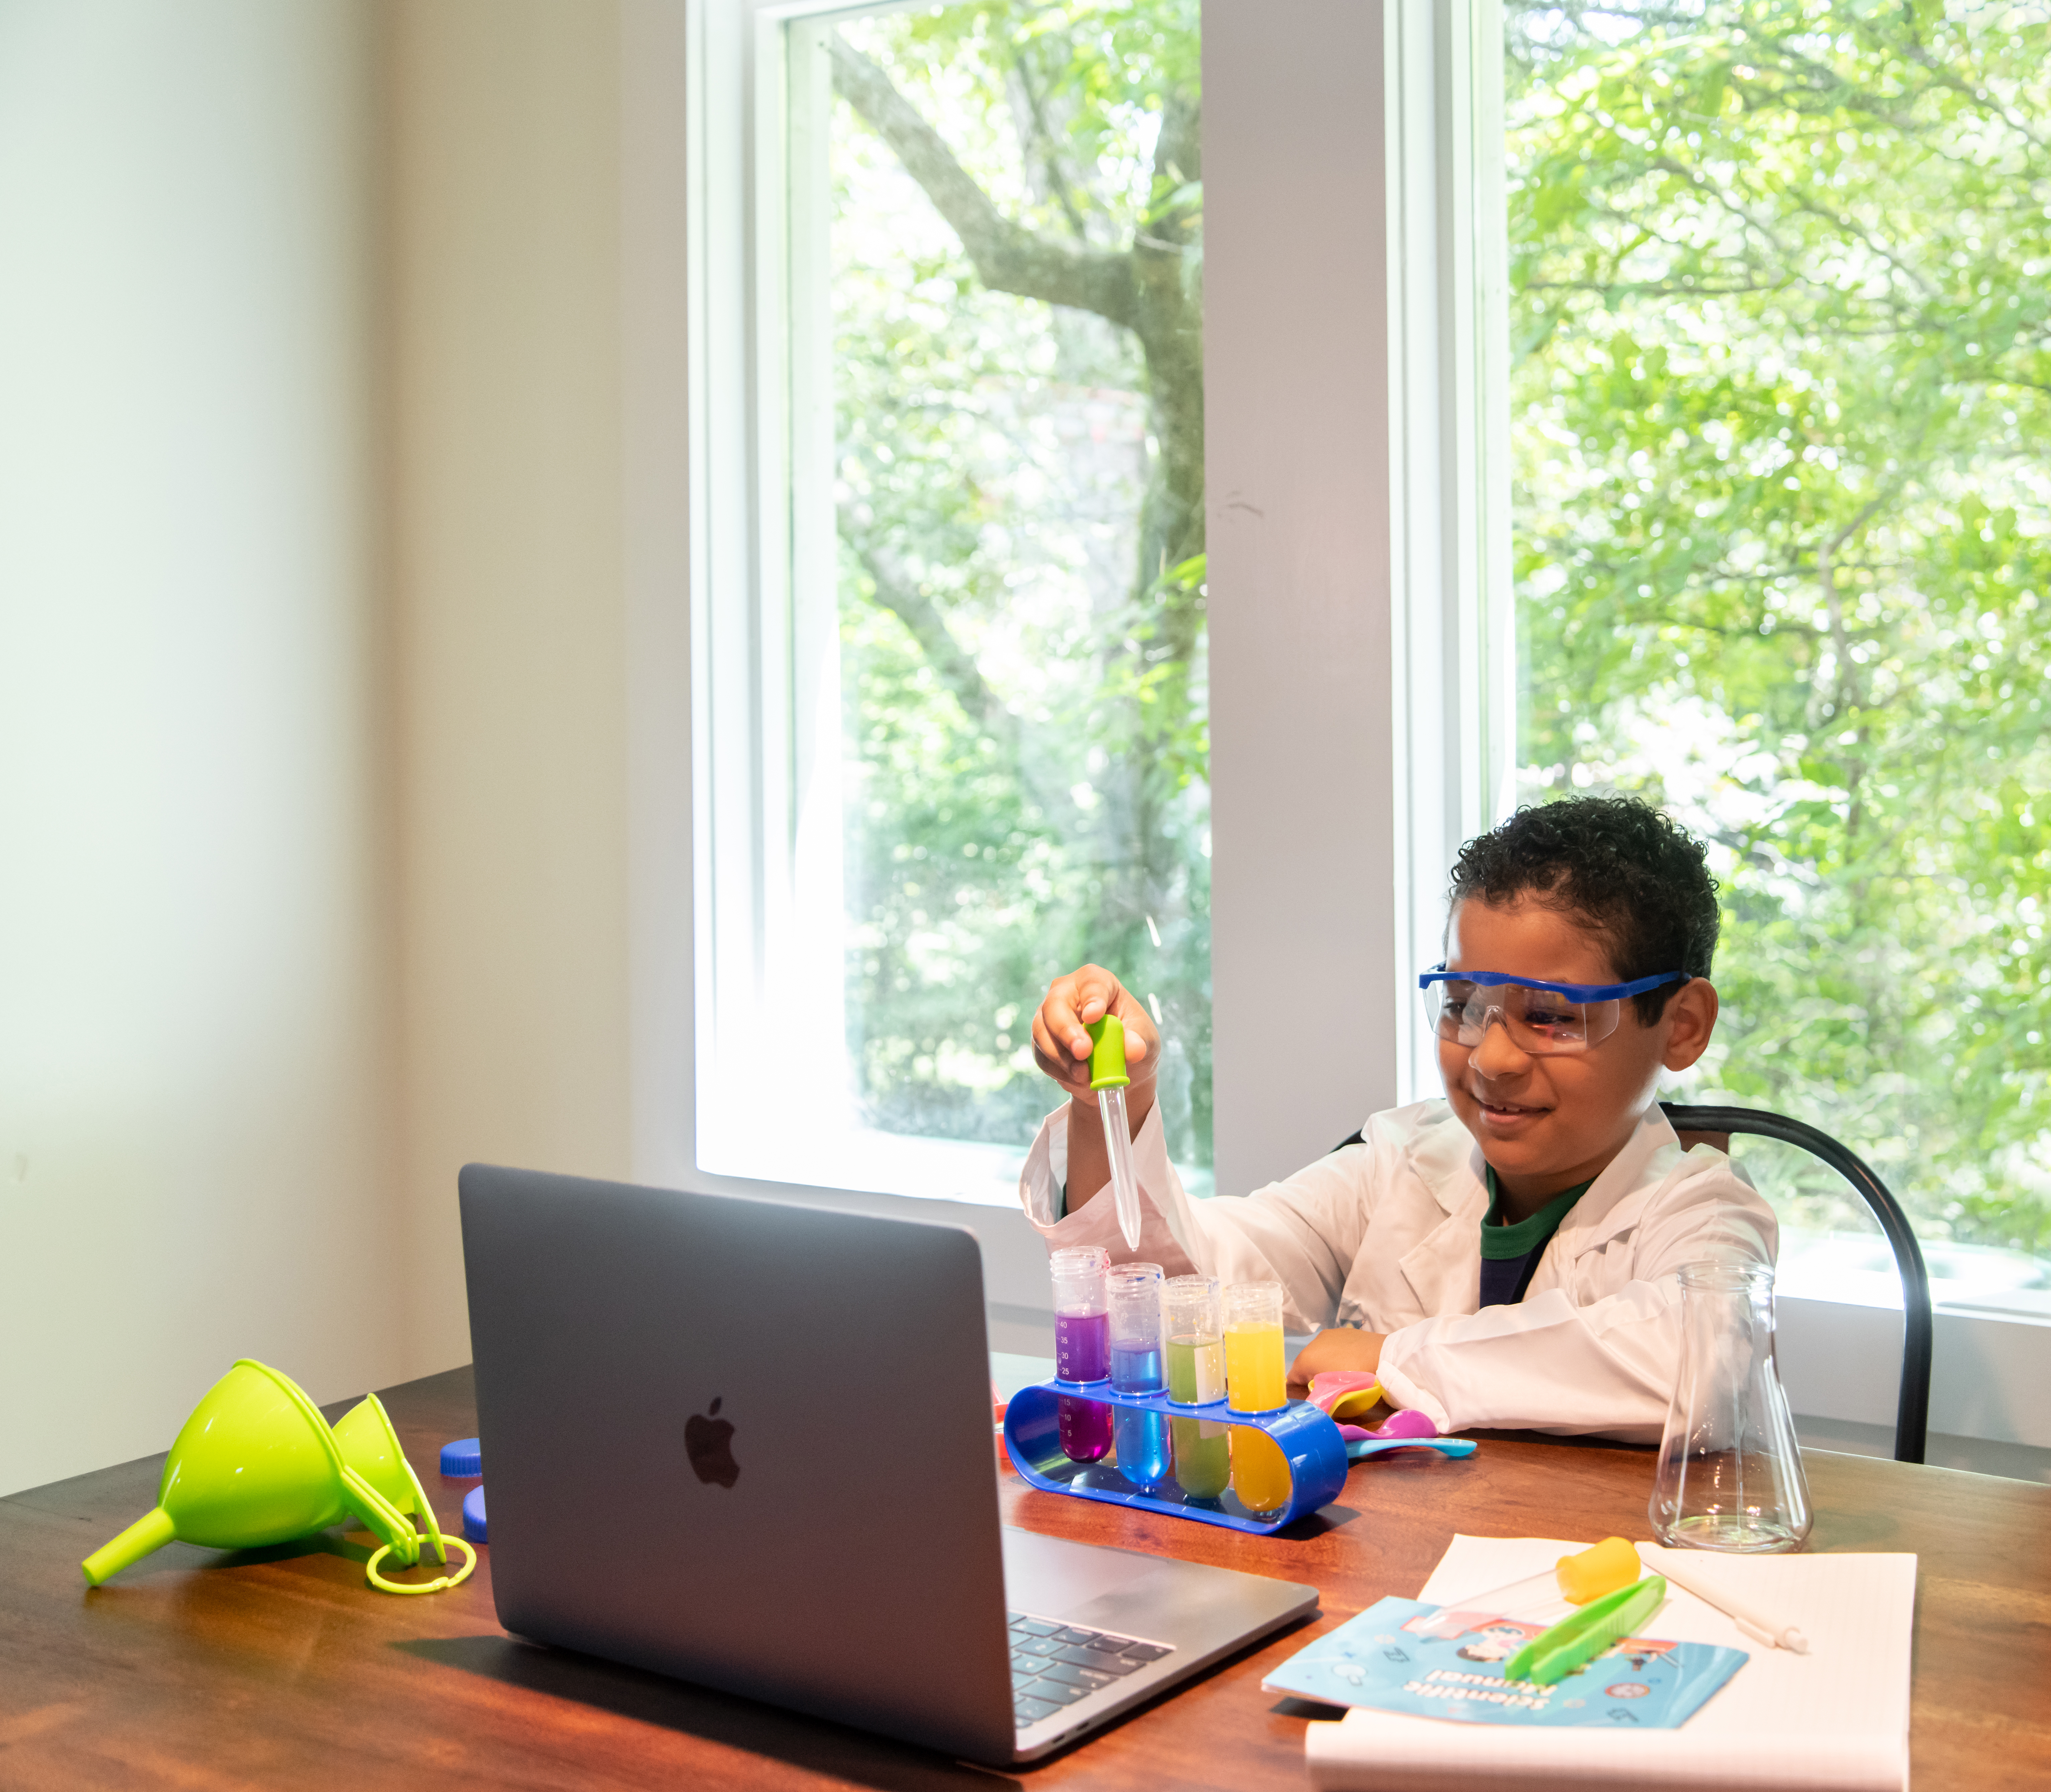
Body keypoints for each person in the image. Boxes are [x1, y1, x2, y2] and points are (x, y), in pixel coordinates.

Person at [1018, 795, 1775, 1442]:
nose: (1492, 1058)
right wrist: (1109, 1104)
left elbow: (1696, 1363)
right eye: (1461, 1006)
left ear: (1680, 1026)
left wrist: (1386, 1357)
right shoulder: (1401, 1160)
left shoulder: (1703, 1210)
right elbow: (1182, 1286)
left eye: (1550, 1017)